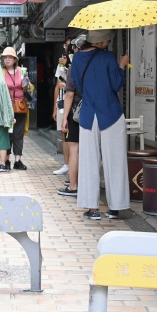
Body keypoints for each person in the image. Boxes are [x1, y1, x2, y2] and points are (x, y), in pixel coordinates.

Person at [71, 29, 129, 221]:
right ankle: (115, 207)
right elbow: (116, 84)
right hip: (110, 113)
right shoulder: (108, 57)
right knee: (115, 160)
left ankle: (92, 207)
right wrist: (122, 66)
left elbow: (77, 84)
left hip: (89, 114)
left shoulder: (77, 58)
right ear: (103, 41)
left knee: (88, 160)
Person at [58, 35, 85, 197]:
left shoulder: (75, 66)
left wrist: (65, 117)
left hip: (76, 112)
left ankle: (74, 185)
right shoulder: (96, 63)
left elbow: (69, 95)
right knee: (89, 149)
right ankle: (86, 183)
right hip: (93, 112)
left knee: (74, 148)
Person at [1, 46, 30, 170]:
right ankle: (6, 160)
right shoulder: (0, 72)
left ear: (14, 59)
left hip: (20, 106)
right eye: (5, 57)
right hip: (6, 107)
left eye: (9, 57)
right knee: (7, 134)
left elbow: (29, 88)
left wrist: (27, 84)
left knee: (18, 134)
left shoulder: (21, 71)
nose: (7, 60)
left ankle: (18, 161)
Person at [52, 37, 73, 175]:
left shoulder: (78, 61)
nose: (67, 48)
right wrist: (54, 107)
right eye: (66, 45)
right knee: (64, 133)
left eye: (69, 45)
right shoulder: (61, 64)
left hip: (76, 103)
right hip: (62, 102)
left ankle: (74, 163)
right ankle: (66, 164)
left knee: (74, 135)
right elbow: (57, 86)